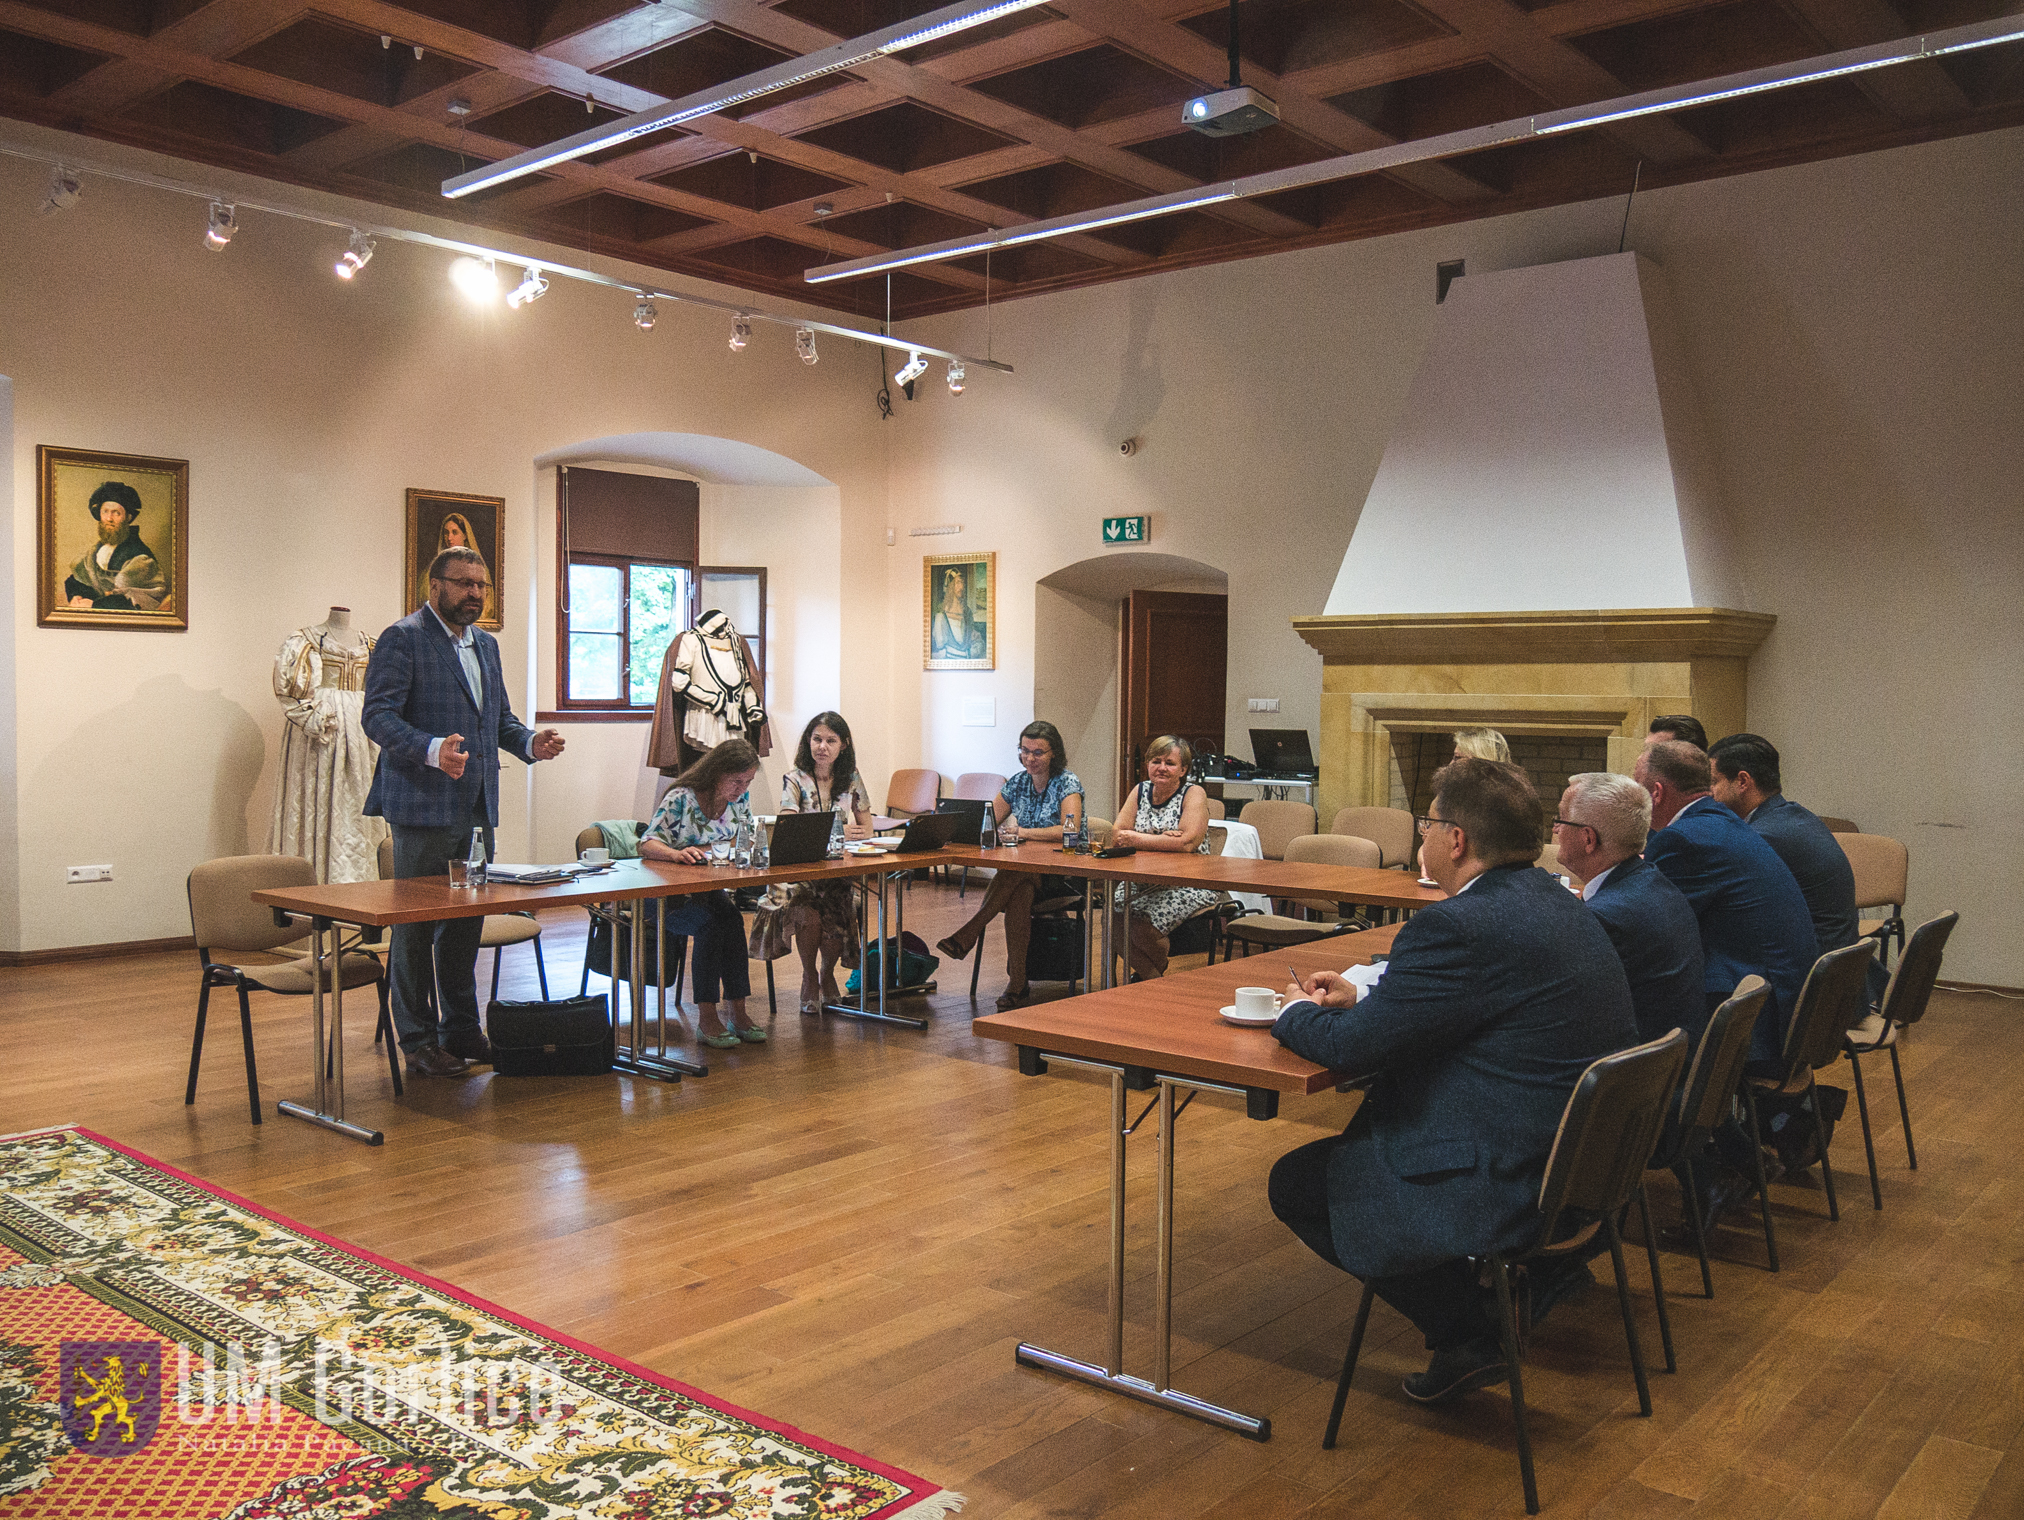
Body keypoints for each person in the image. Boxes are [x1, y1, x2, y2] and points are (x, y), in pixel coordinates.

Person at [1266, 759, 1637, 1404]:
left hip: (1513, 1171)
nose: (1421, 838)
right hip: (1581, 1162)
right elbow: (1466, 1006)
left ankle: (1468, 1331)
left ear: (1457, 839)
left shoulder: (1459, 924)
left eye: (1427, 824)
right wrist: (1369, 998)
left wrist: (1291, 1012)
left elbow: (1353, 1050)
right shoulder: (1553, 898)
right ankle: (1483, 1309)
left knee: (1298, 1182)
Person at [364, 546, 565, 1077]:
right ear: (435, 586)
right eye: (464, 584)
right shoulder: (403, 638)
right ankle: (416, 1037)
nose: (475, 594)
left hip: (477, 805)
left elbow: (497, 720)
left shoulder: (487, 646)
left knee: (464, 925)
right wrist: (432, 749)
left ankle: (461, 1030)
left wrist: (529, 743)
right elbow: (377, 717)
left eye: (481, 586)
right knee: (415, 927)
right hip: (422, 804)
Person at [1634, 740, 1818, 1199]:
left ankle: (1710, 1175)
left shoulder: (1685, 838)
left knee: (1641, 1033)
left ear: (1656, 793)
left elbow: (1647, 921)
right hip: (1772, 992)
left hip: (1759, 1011)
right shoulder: (1717, 823)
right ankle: (1736, 1162)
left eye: (1635, 788)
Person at [1708, 731, 1877, 1162]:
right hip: (1837, 992)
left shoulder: (1765, 836)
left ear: (1741, 782)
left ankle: (1729, 1148)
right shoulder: (1792, 818)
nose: (1707, 794)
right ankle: (1784, 1118)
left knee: (1699, 1004)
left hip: (1808, 1004)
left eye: (1713, 782)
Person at [935, 720, 1085, 1009]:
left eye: (1038, 752)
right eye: (1024, 751)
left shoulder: (1067, 782)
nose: (1030, 758)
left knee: (1017, 875)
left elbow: (1071, 832)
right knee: (1020, 891)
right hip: (1027, 874)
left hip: (1065, 873)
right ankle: (1017, 984)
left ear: (1054, 753)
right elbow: (988, 820)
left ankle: (973, 932)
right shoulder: (1018, 782)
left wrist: (1025, 833)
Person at [1554, 772, 1706, 1045]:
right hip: (1676, 1055)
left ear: (1589, 839)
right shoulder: (1655, 882)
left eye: (1560, 819)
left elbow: (1565, 1013)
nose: (1555, 829)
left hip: (1644, 1073)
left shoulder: (1606, 917)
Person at [640, 738, 766, 1047]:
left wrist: (727, 850)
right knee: (709, 925)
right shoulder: (681, 798)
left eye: (747, 781)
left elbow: (745, 839)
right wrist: (675, 854)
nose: (741, 788)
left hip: (707, 891)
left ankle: (738, 1012)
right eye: (737, 780)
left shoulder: (739, 800)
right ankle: (707, 1018)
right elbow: (646, 843)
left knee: (733, 921)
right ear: (717, 773)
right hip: (666, 897)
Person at [750, 712, 872, 1014]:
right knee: (811, 914)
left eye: (831, 740)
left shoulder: (852, 777)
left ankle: (827, 973)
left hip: (837, 869)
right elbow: (790, 825)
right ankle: (808, 975)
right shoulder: (794, 778)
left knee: (840, 909)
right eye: (817, 739)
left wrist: (847, 834)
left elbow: (866, 826)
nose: (822, 746)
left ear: (843, 745)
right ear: (808, 741)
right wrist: (837, 830)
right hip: (799, 871)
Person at [1110, 735, 1218, 980]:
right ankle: (1153, 978)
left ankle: (1149, 977)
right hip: (1142, 879)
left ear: (1183, 769)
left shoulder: (1193, 793)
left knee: (1141, 929)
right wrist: (1164, 840)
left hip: (1188, 881)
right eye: (1155, 761)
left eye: (1169, 763)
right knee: (1112, 921)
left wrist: (1138, 838)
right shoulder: (1140, 791)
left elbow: (1187, 843)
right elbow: (1117, 834)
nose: (1161, 768)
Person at [64, 481, 168, 611]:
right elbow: (77, 581)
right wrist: (76, 596)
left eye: (116, 513)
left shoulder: (140, 558)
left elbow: (133, 601)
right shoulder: (95, 552)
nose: (109, 518)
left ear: (128, 517)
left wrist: (95, 605)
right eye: (105, 512)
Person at [417, 512, 493, 625]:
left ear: (465, 535)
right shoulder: (429, 573)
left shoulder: (486, 641)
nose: (449, 538)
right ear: (435, 585)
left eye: (455, 532)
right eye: (464, 583)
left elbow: (489, 607)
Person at [929, 567, 979, 658]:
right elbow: (940, 645)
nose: (962, 587)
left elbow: (972, 636)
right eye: (958, 582)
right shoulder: (941, 615)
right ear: (951, 586)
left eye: (963, 582)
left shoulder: (967, 612)